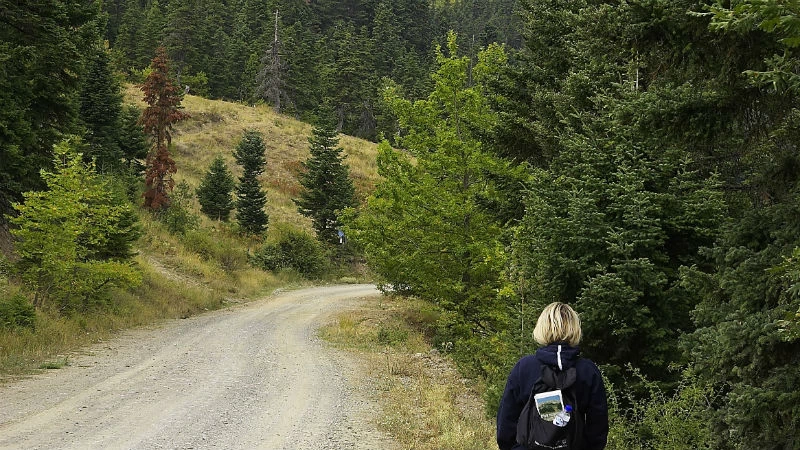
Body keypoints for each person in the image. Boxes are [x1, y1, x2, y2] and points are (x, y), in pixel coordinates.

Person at [496, 302, 608, 450]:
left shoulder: (524, 367)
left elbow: (506, 423)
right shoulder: (588, 371)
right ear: (575, 328)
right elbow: (598, 428)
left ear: (541, 327)